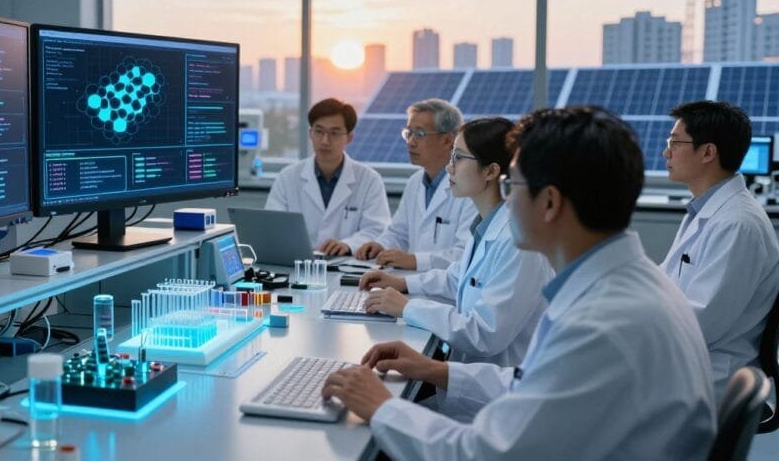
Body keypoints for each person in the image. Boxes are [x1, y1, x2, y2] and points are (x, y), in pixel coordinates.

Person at [323, 107, 716, 461]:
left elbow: (486, 454)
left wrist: (381, 405)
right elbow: (533, 384)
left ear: (549, 202)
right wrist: (436, 371)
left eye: (515, 187)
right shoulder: (622, 285)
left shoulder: (602, 323)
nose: (508, 202)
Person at [359, 117, 553, 366]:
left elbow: (485, 333)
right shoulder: (488, 226)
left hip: (493, 392)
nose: (449, 168)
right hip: (466, 377)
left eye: (459, 158)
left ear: (491, 171)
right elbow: (458, 279)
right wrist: (402, 283)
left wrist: (408, 307)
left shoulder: (518, 243)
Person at [661, 100, 779, 400]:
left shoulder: (737, 224)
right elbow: (664, 283)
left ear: (708, 152)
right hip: (689, 360)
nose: (666, 152)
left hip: (710, 376)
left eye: (675, 142)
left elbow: (702, 323)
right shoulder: (707, 210)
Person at [354, 99, 476, 270]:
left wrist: (415, 260)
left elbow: (466, 253)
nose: (410, 142)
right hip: (412, 283)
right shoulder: (415, 182)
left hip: (447, 292)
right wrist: (380, 245)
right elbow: (399, 232)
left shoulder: (470, 187)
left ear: (448, 140)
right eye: (408, 133)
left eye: (419, 134)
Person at [266, 98, 390, 256]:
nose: (325, 140)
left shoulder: (369, 180)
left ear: (349, 137)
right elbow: (273, 228)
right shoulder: (287, 177)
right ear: (310, 133)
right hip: (299, 265)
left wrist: (348, 244)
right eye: (319, 131)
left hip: (349, 265)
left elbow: (378, 229)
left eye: (334, 133)